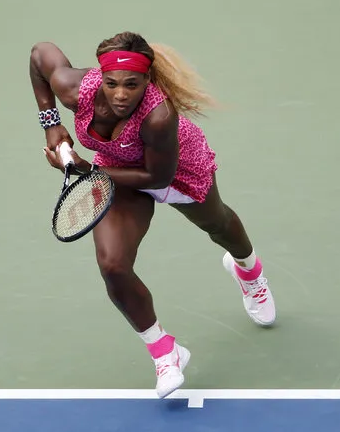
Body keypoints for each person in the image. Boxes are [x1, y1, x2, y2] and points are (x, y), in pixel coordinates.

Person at [29, 31, 276, 398]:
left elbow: (156, 177)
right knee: (113, 265)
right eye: (112, 83)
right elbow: (40, 54)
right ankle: (165, 351)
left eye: (132, 84)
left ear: (148, 80)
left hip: (175, 170)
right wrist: (51, 123)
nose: (121, 94)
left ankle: (248, 270)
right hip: (118, 171)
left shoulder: (159, 116)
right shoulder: (74, 90)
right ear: (101, 77)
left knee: (218, 224)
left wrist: (85, 169)